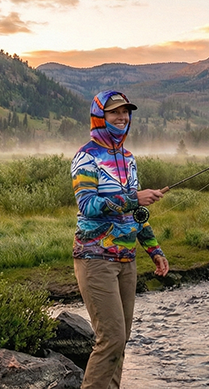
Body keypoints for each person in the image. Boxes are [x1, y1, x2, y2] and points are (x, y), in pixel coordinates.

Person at [71, 90, 169, 389]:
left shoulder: (128, 159)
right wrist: (132, 197)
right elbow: (87, 204)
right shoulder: (86, 156)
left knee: (121, 339)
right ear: (100, 116)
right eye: (115, 112)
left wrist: (155, 250)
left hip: (127, 260)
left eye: (126, 113)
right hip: (95, 257)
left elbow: (136, 210)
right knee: (110, 338)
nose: (122, 117)